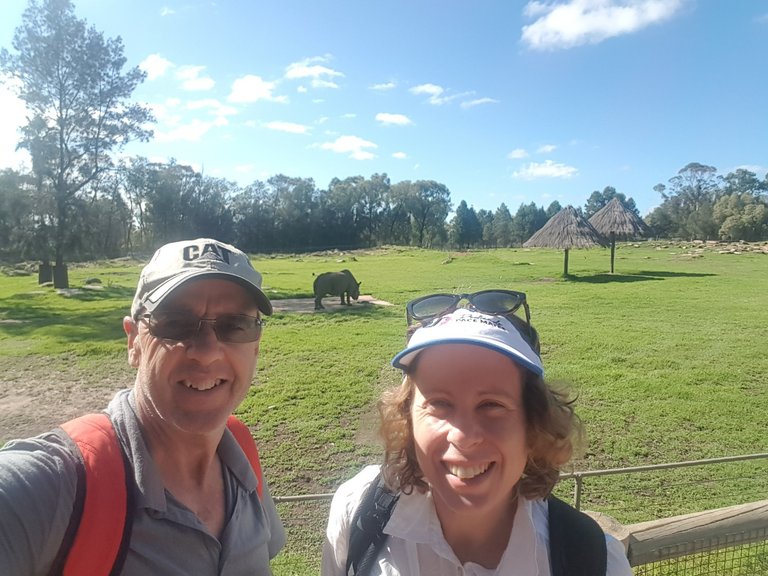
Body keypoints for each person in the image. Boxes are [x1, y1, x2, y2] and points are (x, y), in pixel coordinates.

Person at [0, 238, 285, 575]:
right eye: (175, 322)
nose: (207, 352)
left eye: (234, 326)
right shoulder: (54, 486)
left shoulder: (240, 454)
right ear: (133, 340)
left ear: (255, 347)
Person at [322, 290, 632, 575]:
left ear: (533, 423)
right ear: (407, 418)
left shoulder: (593, 560)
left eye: (492, 405)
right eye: (439, 404)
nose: (464, 435)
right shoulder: (359, 513)